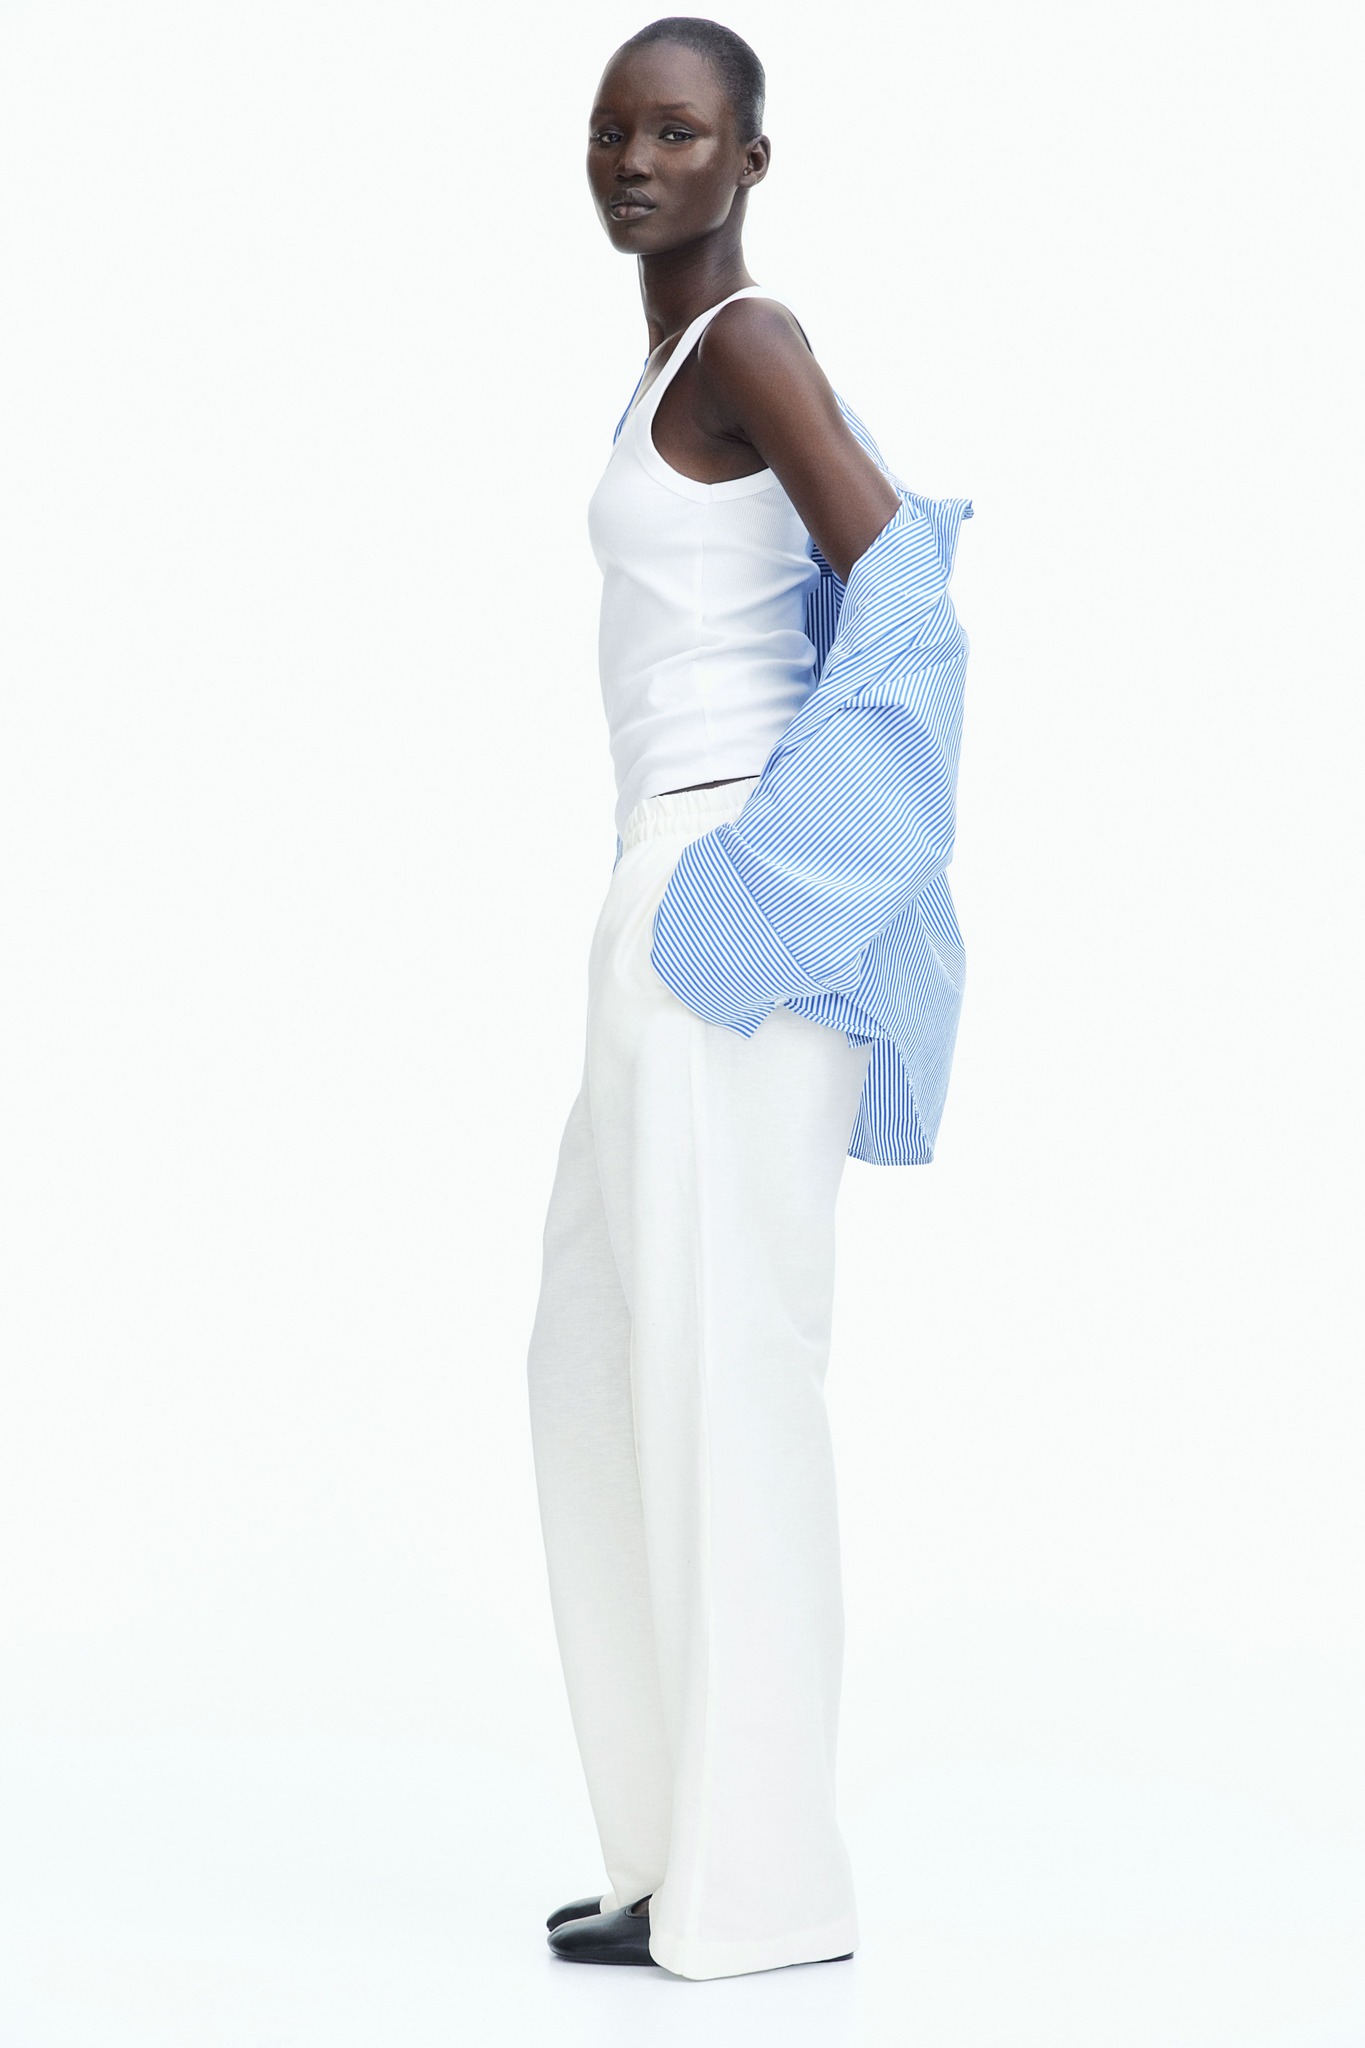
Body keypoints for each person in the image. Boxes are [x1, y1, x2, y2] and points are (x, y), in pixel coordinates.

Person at [525, 14, 973, 1982]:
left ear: (750, 161)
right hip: (659, 892)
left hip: (725, 898)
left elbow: (908, 598)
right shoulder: (665, 372)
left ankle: (767, 1892)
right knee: (599, 1371)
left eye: (679, 131)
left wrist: (769, 879)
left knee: (726, 1391)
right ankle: (674, 1850)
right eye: (611, 130)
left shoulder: (748, 343)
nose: (637, 160)